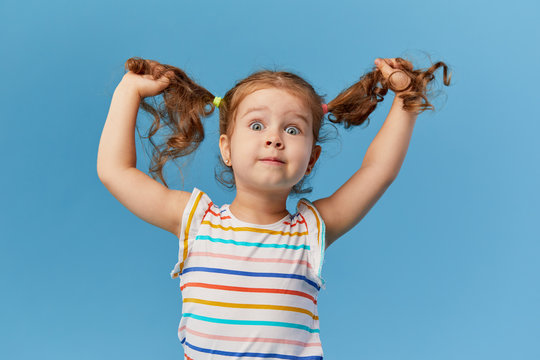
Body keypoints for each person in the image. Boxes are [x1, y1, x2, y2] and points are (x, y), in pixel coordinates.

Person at [97, 56, 451, 359]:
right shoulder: (195, 222)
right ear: (226, 149)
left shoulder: (310, 230)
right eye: (256, 125)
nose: (274, 137)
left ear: (311, 159)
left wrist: (406, 100)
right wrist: (128, 91)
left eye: (293, 129)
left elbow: (378, 170)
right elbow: (115, 171)